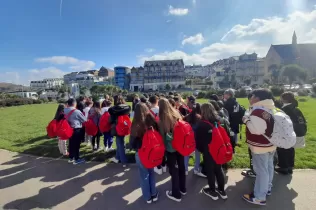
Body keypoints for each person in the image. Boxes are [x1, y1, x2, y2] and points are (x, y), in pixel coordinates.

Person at [242, 89, 276, 206]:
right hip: (270, 143)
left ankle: (259, 197)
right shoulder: (270, 107)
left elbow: (256, 130)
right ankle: (267, 188)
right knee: (268, 167)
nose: (250, 99)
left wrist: (246, 120)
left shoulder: (258, 111)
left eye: (252, 96)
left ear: (257, 98)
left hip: (260, 146)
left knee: (261, 171)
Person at [195, 103, 228, 201]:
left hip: (208, 150)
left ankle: (212, 190)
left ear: (202, 111)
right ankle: (222, 190)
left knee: (210, 171)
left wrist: (202, 150)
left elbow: (198, 140)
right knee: (219, 168)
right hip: (220, 148)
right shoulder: (220, 120)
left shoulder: (201, 124)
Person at [129, 103, 159, 204]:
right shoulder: (151, 120)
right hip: (151, 150)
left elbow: (132, 143)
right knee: (151, 173)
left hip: (141, 152)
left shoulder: (135, 124)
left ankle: (147, 197)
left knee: (144, 175)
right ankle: (154, 193)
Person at [158, 98, 186, 202]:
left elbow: (162, 138)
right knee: (182, 167)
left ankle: (176, 193)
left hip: (171, 148)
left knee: (173, 170)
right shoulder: (177, 113)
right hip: (180, 145)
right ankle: (183, 188)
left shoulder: (162, 120)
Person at [276, 92, 307, 175]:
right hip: (298, 132)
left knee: (283, 149)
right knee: (290, 149)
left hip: (289, 133)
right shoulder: (296, 108)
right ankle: (290, 166)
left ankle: (283, 167)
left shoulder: (285, 109)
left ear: (284, 99)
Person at [183, 103, 206, 177]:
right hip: (197, 139)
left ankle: (185, 169)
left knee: (186, 154)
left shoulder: (187, 117)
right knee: (197, 154)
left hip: (188, 138)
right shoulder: (200, 118)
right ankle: (196, 169)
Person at [109, 95, 131, 167]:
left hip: (117, 127)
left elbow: (111, 119)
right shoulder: (127, 108)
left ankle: (123, 161)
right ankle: (117, 157)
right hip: (125, 126)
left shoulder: (113, 109)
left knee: (120, 143)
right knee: (120, 142)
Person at [64, 98, 87, 165]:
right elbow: (84, 120)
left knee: (71, 143)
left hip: (68, 129)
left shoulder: (64, 110)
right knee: (76, 144)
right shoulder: (77, 111)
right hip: (76, 129)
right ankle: (76, 159)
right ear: (74, 103)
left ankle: (71, 158)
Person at [149, 95, 167, 175]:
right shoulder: (162, 110)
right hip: (162, 131)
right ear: (157, 101)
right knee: (163, 149)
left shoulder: (149, 111)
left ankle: (158, 166)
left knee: (156, 150)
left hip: (154, 133)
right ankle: (164, 165)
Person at [241, 93, 257, 178]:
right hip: (254, 137)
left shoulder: (257, 110)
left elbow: (251, 123)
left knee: (254, 155)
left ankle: (254, 171)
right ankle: (254, 169)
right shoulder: (253, 109)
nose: (250, 101)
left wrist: (246, 120)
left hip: (255, 138)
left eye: (251, 99)